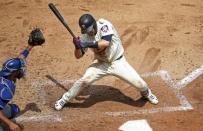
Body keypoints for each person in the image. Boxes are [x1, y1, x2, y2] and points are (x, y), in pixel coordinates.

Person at [55, 14, 158, 111]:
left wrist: (85, 44)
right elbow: (78, 56)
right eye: (86, 31)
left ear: (94, 25)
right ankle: (64, 99)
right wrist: (77, 47)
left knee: (141, 84)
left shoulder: (104, 25)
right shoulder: (85, 36)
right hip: (100, 64)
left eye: (90, 30)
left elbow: (105, 43)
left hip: (117, 62)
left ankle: (146, 93)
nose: (89, 33)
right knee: (83, 81)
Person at [0, 28, 45, 131]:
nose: (22, 71)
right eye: (20, 69)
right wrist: (10, 124)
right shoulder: (5, 89)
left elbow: (20, 58)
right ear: (14, 73)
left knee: (14, 110)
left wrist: (30, 46)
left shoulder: (5, 74)